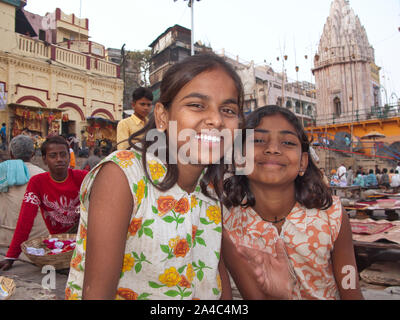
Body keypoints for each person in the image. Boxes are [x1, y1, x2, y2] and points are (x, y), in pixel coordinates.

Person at [65, 53, 245, 300]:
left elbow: (214, 271)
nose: (216, 119)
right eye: (196, 105)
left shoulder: (209, 188)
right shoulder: (123, 177)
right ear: (162, 116)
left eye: (228, 109)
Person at [222, 106, 363, 300]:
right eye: (258, 140)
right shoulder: (227, 223)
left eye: (287, 142)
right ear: (239, 158)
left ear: (303, 162)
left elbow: (351, 288)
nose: (272, 149)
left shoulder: (333, 215)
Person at [0, 136, 88, 271]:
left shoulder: (82, 177)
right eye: (53, 156)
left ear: (69, 157)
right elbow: (25, 219)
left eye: (63, 154)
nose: (59, 159)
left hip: (84, 238)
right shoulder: (37, 182)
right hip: (58, 244)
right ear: (44, 159)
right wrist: (11, 256)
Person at [0, 135, 47, 248]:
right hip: (38, 238)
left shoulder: (3, 171)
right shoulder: (44, 176)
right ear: (32, 154)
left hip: (5, 238)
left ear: (11, 154)